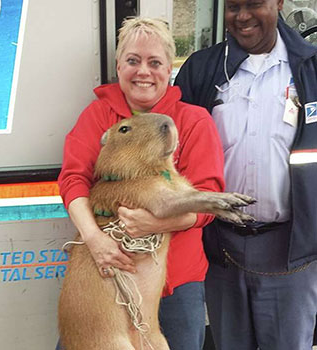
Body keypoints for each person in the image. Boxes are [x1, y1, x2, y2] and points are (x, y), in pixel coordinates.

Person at [57, 17, 225, 350]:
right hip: (104, 276)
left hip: (176, 284)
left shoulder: (193, 121)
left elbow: (208, 200)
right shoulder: (97, 116)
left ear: (169, 69)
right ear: (119, 66)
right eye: (133, 61)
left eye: (154, 62)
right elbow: (73, 180)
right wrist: (95, 240)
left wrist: (157, 222)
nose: (143, 72)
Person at [174, 0, 317, 349]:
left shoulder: (310, 68)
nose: (243, 17)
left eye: (254, 4)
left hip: (292, 254)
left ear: (279, 3)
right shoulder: (202, 70)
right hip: (221, 251)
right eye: (234, 6)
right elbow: (176, 155)